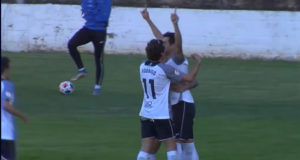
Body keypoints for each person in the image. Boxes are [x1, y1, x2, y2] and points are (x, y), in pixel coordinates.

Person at [141, 8, 200, 160]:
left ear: (172, 45)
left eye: (165, 42)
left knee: (181, 141)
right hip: (169, 106)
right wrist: (148, 20)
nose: (162, 43)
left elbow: (179, 44)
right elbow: (158, 37)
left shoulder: (177, 58)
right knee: (181, 141)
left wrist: (175, 24)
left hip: (181, 102)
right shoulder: (164, 62)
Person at [68, 0, 112, 95]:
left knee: (98, 58)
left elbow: (104, 15)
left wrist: (93, 14)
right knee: (71, 44)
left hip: (99, 31)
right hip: (87, 28)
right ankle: (81, 70)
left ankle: (97, 87)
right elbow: (85, 11)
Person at [1, 57, 29, 160]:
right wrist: (23, 116)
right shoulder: (7, 85)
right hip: (5, 133)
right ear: (6, 69)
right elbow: (6, 105)